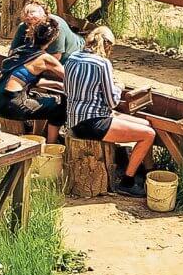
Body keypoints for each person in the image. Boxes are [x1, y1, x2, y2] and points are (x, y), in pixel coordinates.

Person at [64, 27, 158, 197]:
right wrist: (119, 87)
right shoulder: (102, 63)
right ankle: (127, 182)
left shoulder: (72, 58)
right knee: (148, 134)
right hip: (92, 122)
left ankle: (143, 170)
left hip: (73, 118)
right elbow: (112, 101)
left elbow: (67, 89)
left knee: (146, 124)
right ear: (107, 46)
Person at [0, 19, 67, 141]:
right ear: (52, 39)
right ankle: (51, 145)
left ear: (33, 33)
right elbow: (69, 78)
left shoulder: (21, 50)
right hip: (11, 104)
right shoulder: (45, 58)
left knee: (40, 98)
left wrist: (55, 84)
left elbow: (23, 78)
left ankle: (36, 138)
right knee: (59, 105)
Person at [6, 0, 83, 64]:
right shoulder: (24, 26)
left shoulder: (55, 28)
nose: (29, 16)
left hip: (72, 55)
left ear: (44, 16)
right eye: (26, 14)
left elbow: (55, 57)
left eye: (32, 13)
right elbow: (12, 51)